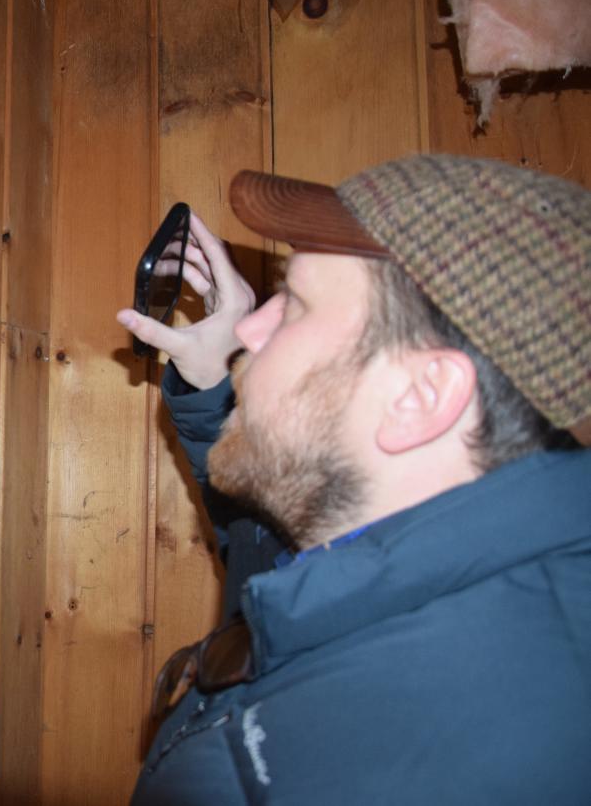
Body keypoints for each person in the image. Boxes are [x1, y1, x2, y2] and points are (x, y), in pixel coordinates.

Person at [115, 154, 590, 804]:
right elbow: (278, 550)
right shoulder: (409, 554)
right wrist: (215, 382)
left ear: (421, 395)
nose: (249, 326)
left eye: (297, 305)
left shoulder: (408, 761)